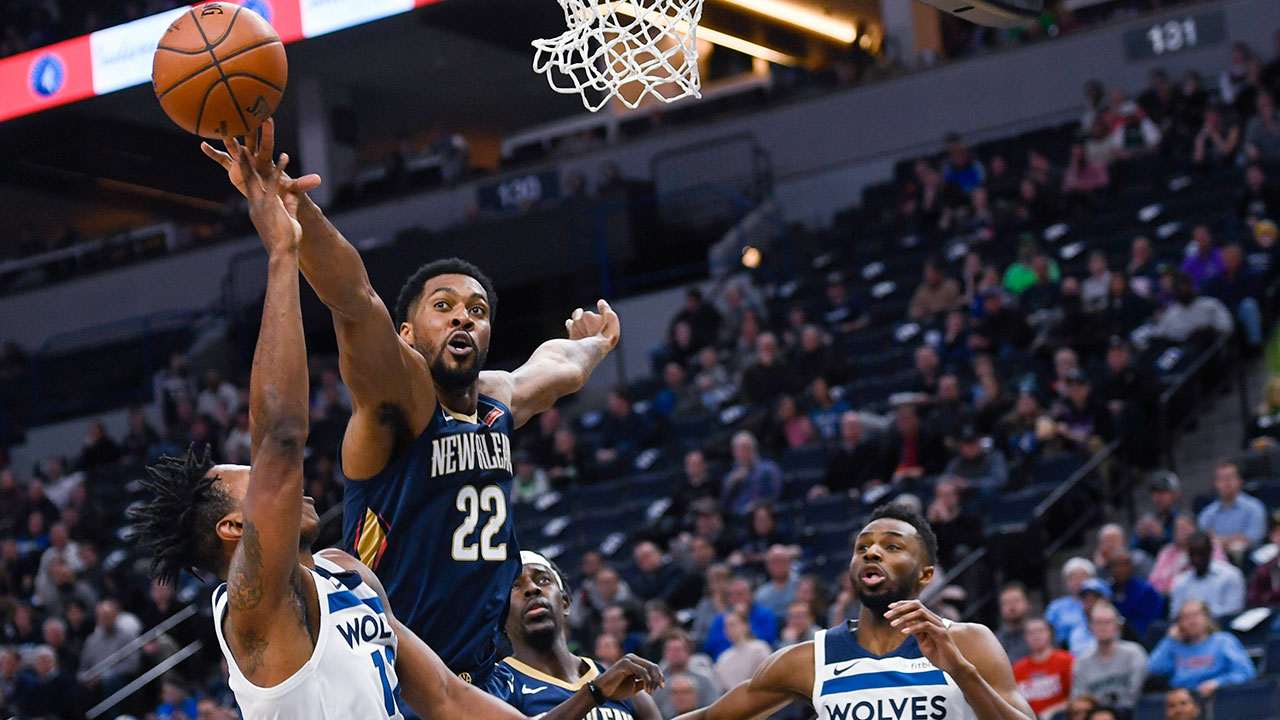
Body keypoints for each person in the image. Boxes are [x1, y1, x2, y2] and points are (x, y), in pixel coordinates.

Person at [129, 152, 658, 720]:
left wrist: (596, 343)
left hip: (471, 676)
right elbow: (355, 302)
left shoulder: (496, 401)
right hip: (414, 684)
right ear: (405, 334)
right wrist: (298, 217)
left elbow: (560, 367)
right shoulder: (397, 404)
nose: (463, 317)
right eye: (443, 306)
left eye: (477, 310)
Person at [670, 504, 1035, 720]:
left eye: (892, 547)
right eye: (863, 547)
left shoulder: (968, 642)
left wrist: (962, 673)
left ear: (925, 575)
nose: (872, 553)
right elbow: (711, 717)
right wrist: (629, 704)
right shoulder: (811, 659)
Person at [500, 551, 663, 720]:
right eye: (514, 585)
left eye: (543, 580)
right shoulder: (496, 685)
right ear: (499, 616)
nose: (532, 589)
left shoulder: (621, 684)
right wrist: (595, 692)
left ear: (565, 603)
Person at [1148, 600, 1255, 697]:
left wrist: (1218, 683)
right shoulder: (1175, 646)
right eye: (1185, 617)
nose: (1191, 621)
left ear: (1206, 618)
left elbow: (1246, 673)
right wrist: (1169, 640)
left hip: (1219, 697)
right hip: (1183, 700)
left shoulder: (1224, 641)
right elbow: (1153, 669)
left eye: (1195, 615)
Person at [1070, 603, 1147, 713]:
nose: (1103, 627)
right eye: (1098, 623)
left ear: (1117, 626)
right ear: (1090, 627)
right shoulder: (1081, 663)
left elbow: (1135, 693)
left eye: (1108, 622)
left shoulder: (1134, 653)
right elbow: (1080, 701)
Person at [1168, 532, 1245, 620]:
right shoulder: (1181, 581)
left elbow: (1233, 612)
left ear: (1210, 551)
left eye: (1201, 553)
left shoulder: (1230, 575)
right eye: (1192, 554)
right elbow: (1175, 615)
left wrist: (1203, 614)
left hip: (1221, 625)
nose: (1197, 559)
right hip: (1187, 626)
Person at [1197, 460, 1268, 554]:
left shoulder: (1255, 507)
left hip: (1248, 557)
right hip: (1216, 558)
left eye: (1229, 478)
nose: (1226, 483)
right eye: (1221, 479)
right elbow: (1201, 541)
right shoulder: (1207, 513)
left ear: (1240, 481)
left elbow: (1253, 539)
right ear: (1215, 484)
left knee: (1237, 548)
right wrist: (1235, 537)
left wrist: (1218, 541)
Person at [1013, 617, 1074, 720]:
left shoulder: (1067, 661)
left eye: (1040, 631)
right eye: (1030, 633)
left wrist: (1052, 711)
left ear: (1049, 633)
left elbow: (1076, 697)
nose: (1035, 636)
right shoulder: (1017, 669)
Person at [712, 611, 773, 691]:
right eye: (726, 626)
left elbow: (765, 679)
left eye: (733, 624)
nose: (729, 629)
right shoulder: (723, 658)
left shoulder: (759, 648)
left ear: (746, 625)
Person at [997, 583, 1033, 665]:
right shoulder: (996, 640)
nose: (1012, 607)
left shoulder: (1041, 633)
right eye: (1006, 603)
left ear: (1028, 604)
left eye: (1016, 601)